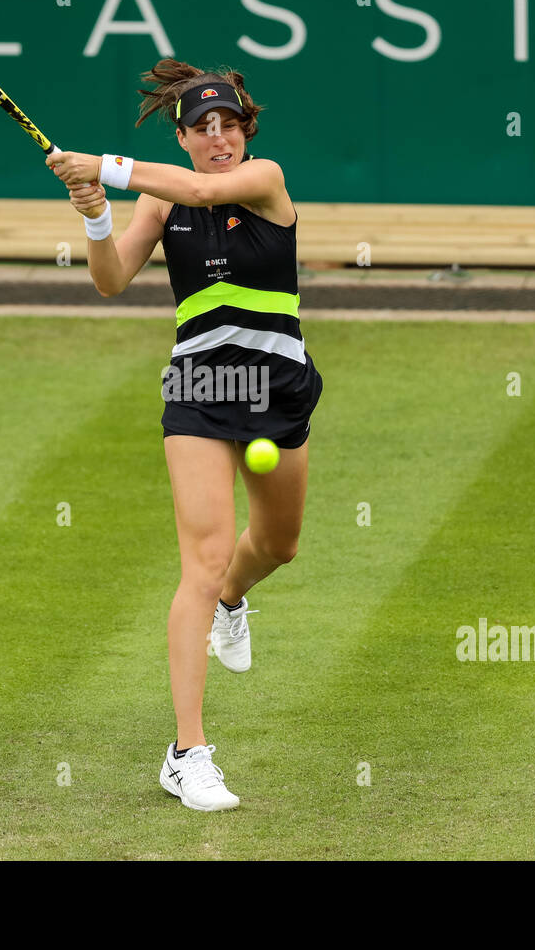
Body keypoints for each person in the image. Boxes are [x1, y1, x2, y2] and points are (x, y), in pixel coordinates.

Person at [46, 59, 323, 812]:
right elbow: (110, 279)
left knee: (279, 544)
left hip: (277, 388)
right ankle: (188, 752)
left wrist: (105, 163)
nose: (218, 137)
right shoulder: (164, 207)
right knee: (200, 560)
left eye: (228, 123)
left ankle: (236, 596)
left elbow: (199, 189)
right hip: (201, 388)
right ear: (184, 133)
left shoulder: (264, 178)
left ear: (245, 131)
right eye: (202, 127)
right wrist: (96, 213)